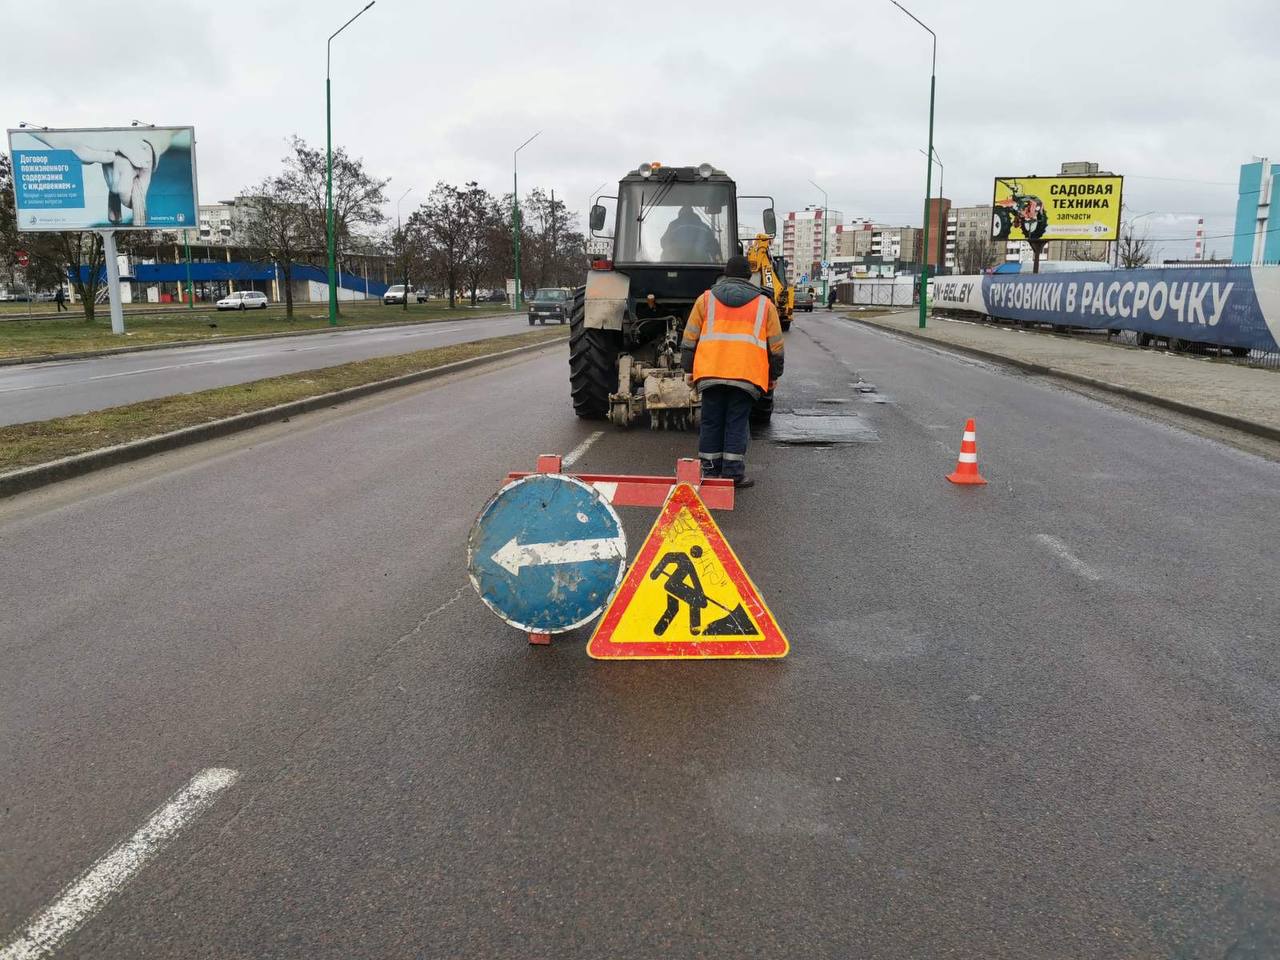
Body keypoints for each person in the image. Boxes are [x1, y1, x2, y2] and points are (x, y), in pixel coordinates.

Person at [680, 254, 784, 489]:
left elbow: (689, 339)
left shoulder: (705, 300)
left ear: (725, 274)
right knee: (737, 422)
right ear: (750, 276)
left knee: (711, 421)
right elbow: (776, 346)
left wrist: (688, 369)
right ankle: (733, 474)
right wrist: (774, 375)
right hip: (746, 375)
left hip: (710, 371)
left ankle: (708, 470)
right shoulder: (764, 304)